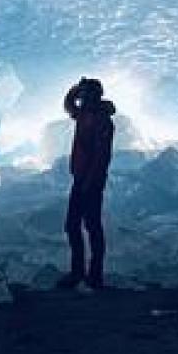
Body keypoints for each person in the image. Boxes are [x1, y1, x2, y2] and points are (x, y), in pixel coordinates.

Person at [59, 77, 116, 290]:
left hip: (91, 181)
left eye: (85, 95)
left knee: (91, 226)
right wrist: (75, 88)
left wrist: (89, 181)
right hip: (81, 178)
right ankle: (79, 273)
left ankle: (94, 275)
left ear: (93, 96)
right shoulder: (84, 114)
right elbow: (68, 105)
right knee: (74, 225)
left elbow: (101, 156)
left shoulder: (102, 121)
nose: (81, 99)